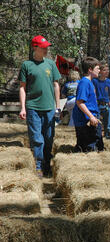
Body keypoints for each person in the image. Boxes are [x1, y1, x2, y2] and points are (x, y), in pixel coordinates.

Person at [19, 35, 61, 178]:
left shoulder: (50, 64)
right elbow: (22, 88)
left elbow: (56, 85)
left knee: (49, 138)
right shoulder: (26, 65)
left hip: (49, 108)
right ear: (35, 48)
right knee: (37, 138)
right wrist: (23, 107)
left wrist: (58, 107)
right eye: (43, 47)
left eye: (47, 47)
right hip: (33, 108)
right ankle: (38, 167)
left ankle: (47, 164)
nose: (46, 50)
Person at [73, 57, 104, 152]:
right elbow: (79, 102)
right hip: (85, 122)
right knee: (89, 148)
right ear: (90, 70)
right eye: (97, 68)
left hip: (91, 119)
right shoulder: (84, 83)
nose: (99, 70)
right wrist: (91, 116)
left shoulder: (89, 82)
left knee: (98, 145)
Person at [93, 63, 110, 139]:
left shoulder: (109, 82)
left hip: (106, 105)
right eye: (104, 70)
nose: (107, 71)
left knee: (108, 124)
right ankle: (97, 138)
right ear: (100, 71)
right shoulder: (95, 81)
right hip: (98, 104)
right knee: (97, 123)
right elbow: (93, 92)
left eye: (107, 70)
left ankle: (108, 138)